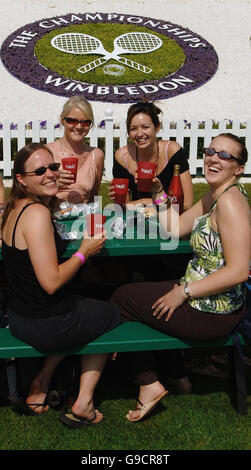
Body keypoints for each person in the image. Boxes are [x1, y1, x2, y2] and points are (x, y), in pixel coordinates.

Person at [111, 132, 250, 422]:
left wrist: (182, 292)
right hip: (201, 296)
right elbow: (175, 228)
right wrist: (160, 192)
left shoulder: (231, 203)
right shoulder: (218, 194)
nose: (213, 158)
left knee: (122, 297)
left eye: (225, 155)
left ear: (239, 168)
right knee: (138, 294)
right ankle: (178, 376)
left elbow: (238, 271)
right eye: (211, 151)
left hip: (212, 312)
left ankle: (149, 382)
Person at [1, 143, 123, 427]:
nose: (50, 174)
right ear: (22, 179)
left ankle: (41, 382)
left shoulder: (15, 207)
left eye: (53, 167)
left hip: (20, 316)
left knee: (86, 302)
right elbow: (52, 283)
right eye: (40, 170)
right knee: (114, 312)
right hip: (46, 323)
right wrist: (84, 251)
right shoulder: (37, 214)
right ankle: (84, 402)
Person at [110, 100, 193, 210]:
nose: (139, 134)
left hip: (170, 219)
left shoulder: (172, 151)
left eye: (145, 127)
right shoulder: (123, 157)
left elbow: (187, 203)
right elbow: (124, 207)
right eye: (133, 129)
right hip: (138, 219)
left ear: (157, 128)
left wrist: (144, 201)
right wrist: (118, 198)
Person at [47, 95, 104, 205]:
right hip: (51, 218)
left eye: (85, 122)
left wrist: (96, 220)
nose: (79, 126)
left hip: (82, 220)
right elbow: (32, 195)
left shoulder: (96, 155)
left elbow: (95, 196)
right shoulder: (47, 153)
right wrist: (54, 185)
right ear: (63, 121)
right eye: (72, 121)